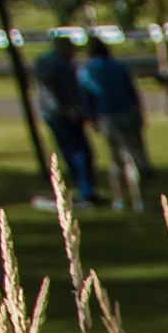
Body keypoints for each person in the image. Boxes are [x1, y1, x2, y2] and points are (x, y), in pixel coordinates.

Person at [80, 37, 154, 213]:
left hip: (107, 116)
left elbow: (87, 97)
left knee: (115, 158)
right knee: (133, 155)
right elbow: (132, 92)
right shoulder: (120, 67)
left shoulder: (88, 71)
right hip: (127, 113)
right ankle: (138, 199)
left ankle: (119, 198)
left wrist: (91, 118)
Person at [32, 36, 100, 206]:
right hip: (64, 114)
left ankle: (83, 188)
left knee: (71, 152)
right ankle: (86, 190)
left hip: (51, 114)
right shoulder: (61, 65)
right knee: (80, 153)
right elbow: (67, 93)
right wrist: (78, 111)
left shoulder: (43, 62)